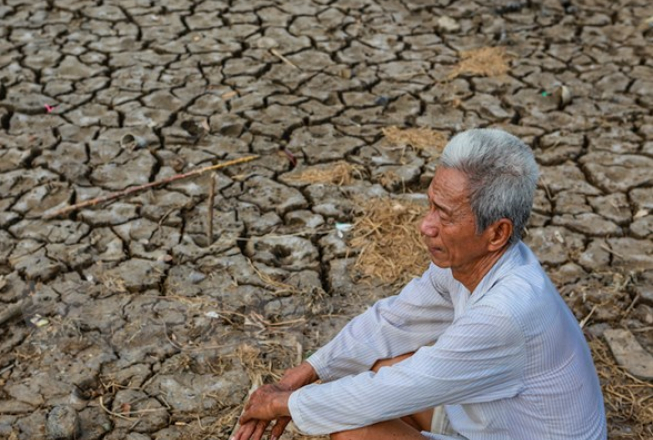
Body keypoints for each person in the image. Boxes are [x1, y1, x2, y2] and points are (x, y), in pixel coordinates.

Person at [233, 128, 607, 440]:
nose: (425, 226)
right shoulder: (471, 263)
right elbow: (392, 320)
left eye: (444, 215)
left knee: (352, 428)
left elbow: (393, 391)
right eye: (430, 205)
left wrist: (284, 404)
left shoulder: (506, 313)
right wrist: (308, 373)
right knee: (382, 366)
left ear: (497, 232)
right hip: (499, 423)